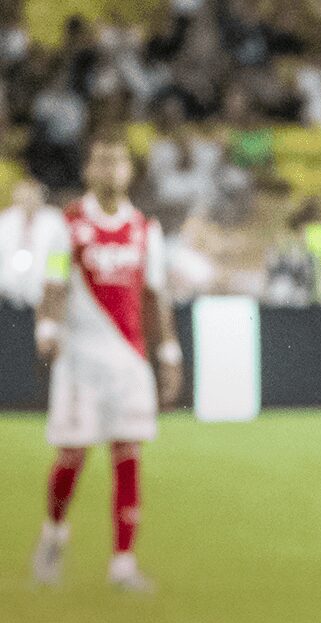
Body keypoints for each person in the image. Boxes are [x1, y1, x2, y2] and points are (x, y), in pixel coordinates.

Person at [29, 135, 184, 591]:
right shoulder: (69, 225)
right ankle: (54, 533)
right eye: (102, 161)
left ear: (129, 171)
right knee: (72, 454)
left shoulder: (144, 229)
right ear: (88, 170)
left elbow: (155, 296)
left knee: (128, 454)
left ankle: (123, 563)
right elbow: (54, 283)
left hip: (129, 359)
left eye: (118, 162)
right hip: (79, 358)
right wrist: (47, 329)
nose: (110, 169)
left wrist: (169, 352)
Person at [0, 178, 64, 306]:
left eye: (32, 195)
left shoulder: (54, 221)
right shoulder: (5, 221)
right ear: (16, 196)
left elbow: (59, 254)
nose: (28, 199)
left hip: (41, 296)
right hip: (7, 295)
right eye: (24, 195)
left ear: (40, 196)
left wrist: (56, 282)